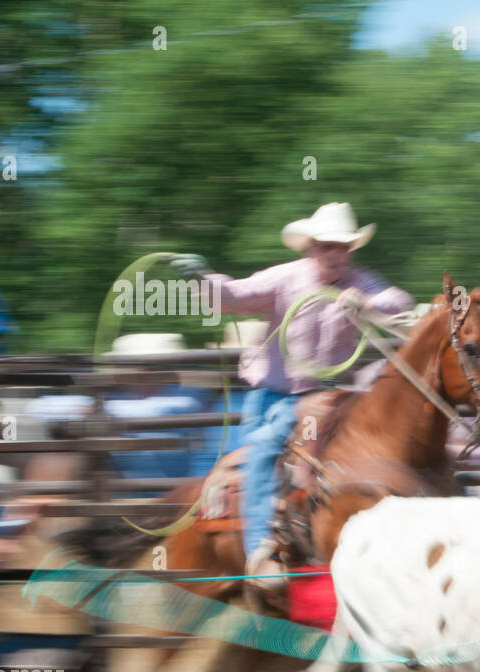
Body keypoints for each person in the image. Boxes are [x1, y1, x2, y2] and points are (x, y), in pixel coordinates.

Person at [170, 203, 415, 589]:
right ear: (311, 247)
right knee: (267, 449)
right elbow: (234, 296)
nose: (335, 254)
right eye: (327, 246)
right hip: (276, 398)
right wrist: (202, 278)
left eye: (342, 247)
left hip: (331, 396)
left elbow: (398, 302)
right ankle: (260, 550)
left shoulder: (360, 281)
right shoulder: (285, 279)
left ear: (350, 250)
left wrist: (366, 304)